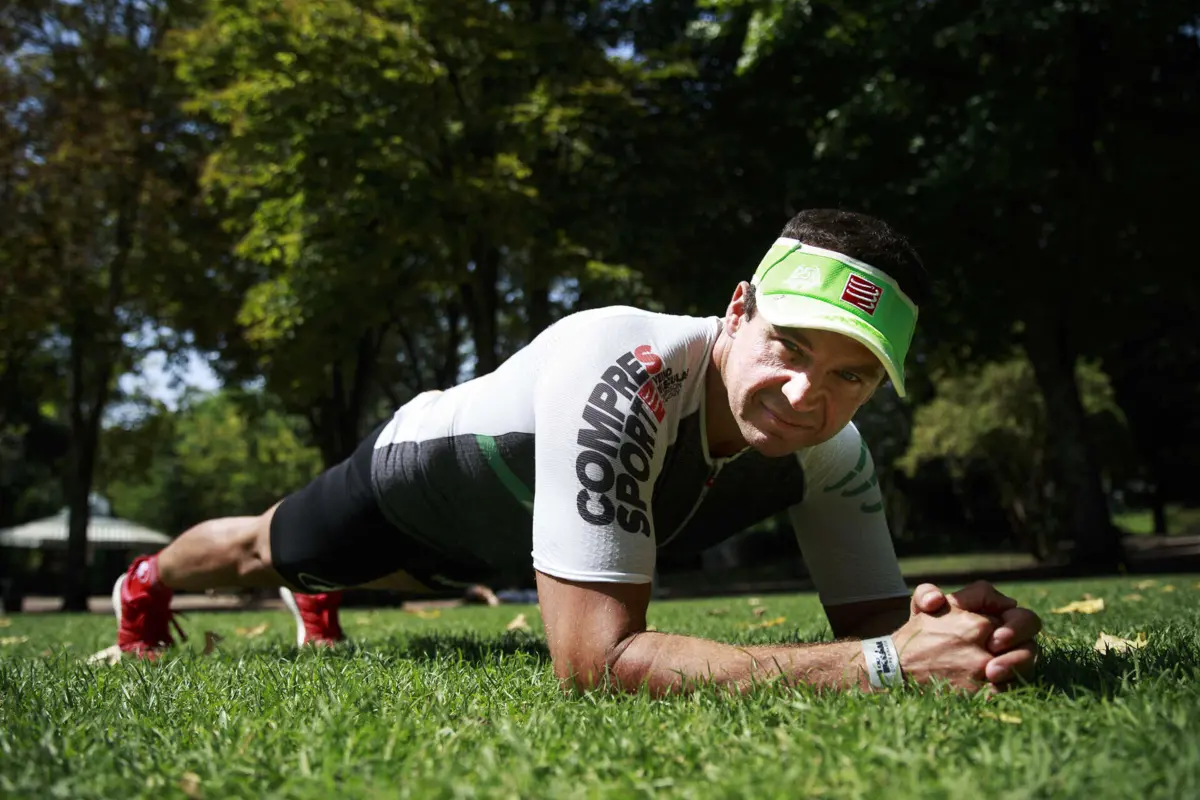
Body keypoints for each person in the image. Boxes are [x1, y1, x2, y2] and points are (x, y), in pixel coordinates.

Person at [113, 209, 1042, 695]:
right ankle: (148, 581)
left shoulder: (835, 455)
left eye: (853, 378)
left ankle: (325, 592)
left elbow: (877, 635)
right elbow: (597, 664)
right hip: (417, 490)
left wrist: (955, 635)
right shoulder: (629, 365)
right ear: (736, 310)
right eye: (790, 348)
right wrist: (888, 668)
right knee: (260, 550)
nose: (808, 397)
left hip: (512, 545)